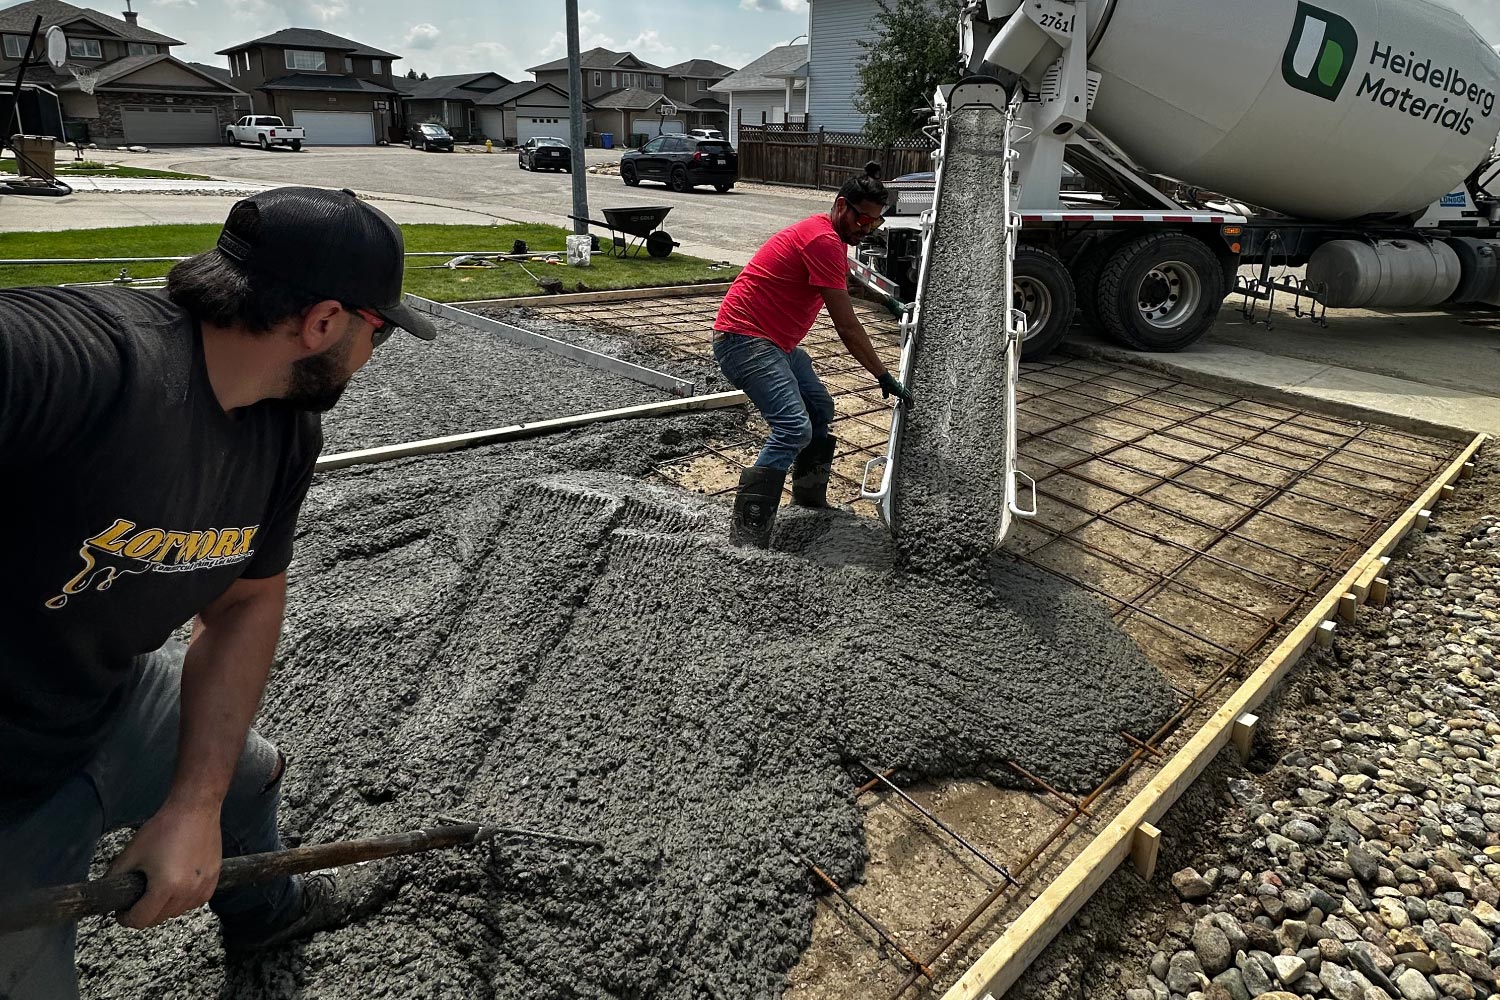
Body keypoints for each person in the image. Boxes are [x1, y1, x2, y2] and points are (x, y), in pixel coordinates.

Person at [0, 186, 436, 998]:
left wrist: (194, 807)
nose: (374, 358)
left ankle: (266, 912)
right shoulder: (85, 361)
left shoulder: (282, 429)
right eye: (381, 335)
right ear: (325, 323)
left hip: (101, 699)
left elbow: (244, 602)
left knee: (247, 774)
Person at [712, 161, 915, 548]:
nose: (867, 228)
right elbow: (848, 328)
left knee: (819, 408)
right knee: (793, 426)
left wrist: (887, 300)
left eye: (874, 223)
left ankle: (808, 497)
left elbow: (845, 277)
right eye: (862, 219)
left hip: (774, 343)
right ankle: (747, 535)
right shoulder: (821, 239)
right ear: (841, 206)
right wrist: (882, 375)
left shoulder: (829, 240)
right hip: (744, 340)